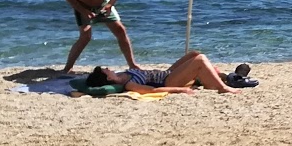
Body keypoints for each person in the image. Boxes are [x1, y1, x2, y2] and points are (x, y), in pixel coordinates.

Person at [63, 0, 137, 72]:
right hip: (82, 4)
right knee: (85, 36)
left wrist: (110, 4)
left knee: (120, 30)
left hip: (103, 3)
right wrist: (83, 11)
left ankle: (132, 65)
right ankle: (67, 68)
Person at [85, 51, 239, 94]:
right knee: (200, 59)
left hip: (167, 73)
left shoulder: (121, 74)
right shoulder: (129, 84)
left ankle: (220, 78)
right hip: (168, 81)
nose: (108, 68)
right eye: (106, 70)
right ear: (108, 77)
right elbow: (153, 90)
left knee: (194, 54)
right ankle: (222, 87)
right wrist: (181, 89)